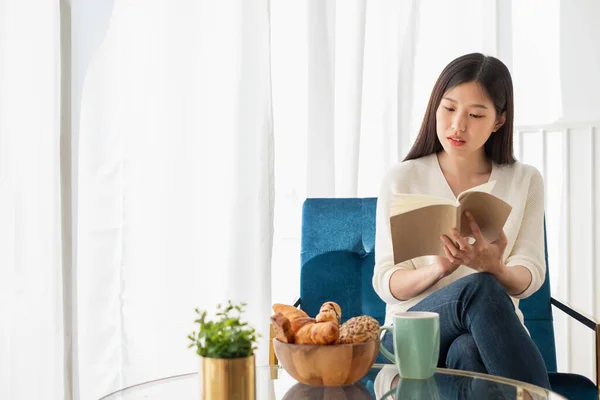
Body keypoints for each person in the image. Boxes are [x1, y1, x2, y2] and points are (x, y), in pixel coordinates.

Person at [372, 52, 551, 389]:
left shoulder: (524, 180)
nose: (458, 125)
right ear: (434, 107)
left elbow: (531, 273)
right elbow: (386, 282)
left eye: (475, 114)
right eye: (449, 108)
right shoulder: (403, 178)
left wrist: (496, 268)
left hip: (487, 338)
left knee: (469, 350)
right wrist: (439, 269)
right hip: (412, 337)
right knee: (480, 288)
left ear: (498, 120)